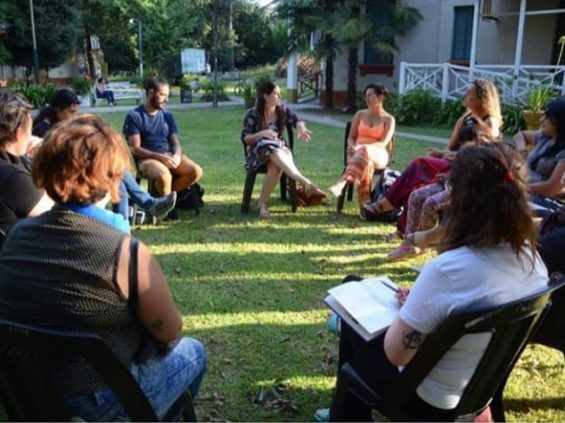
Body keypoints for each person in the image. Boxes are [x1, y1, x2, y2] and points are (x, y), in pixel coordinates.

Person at [318, 143, 548, 422]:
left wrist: (407, 312)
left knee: (353, 313)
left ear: (461, 202)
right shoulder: (534, 263)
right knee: (355, 285)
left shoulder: (447, 271)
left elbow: (396, 354)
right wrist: (422, 304)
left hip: (425, 399)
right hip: (476, 389)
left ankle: (347, 411)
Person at [0, 114, 207, 421]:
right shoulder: (123, 251)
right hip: (102, 400)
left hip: (31, 395)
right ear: (112, 177)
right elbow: (170, 331)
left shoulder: (16, 237)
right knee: (194, 351)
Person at [365, 79, 502, 236]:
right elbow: (449, 148)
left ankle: (386, 204)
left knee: (419, 164)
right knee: (418, 184)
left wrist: (456, 155)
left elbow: (486, 154)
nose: (464, 95)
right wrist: (441, 153)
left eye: (469, 93)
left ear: (482, 98)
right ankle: (403, 230)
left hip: (467, 170)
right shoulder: (464, 119)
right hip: (450, 164)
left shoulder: (490, 122)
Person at [33, 88, 176, 222]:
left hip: (81, 167)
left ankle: (132, 217)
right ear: (58, 109)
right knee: (116, 176)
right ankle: (144, 207)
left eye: (75, 112)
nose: (74, 116)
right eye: (70, 112)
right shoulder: (43, 130)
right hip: (68, 174)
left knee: (117, 179)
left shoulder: (66, 126)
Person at [241, 80, 326, 219]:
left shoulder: (282, 110)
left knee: (276, 165)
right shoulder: (253, 114)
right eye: (276, 94)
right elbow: (246, 138)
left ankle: (262, 205)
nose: (280, 97)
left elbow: (296, 120)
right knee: (270, 149)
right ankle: (304, 181)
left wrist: (300, 126)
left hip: (279, 150)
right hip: (258, 153)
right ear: (265, 96)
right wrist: (262, 134)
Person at [124, 77, 203, 221]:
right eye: (162, 95)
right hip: (147, 159)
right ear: (151, 93)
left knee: (195, 171)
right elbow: (135, 148)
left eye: (167, 96)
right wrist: (160, 157)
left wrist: (177, 155)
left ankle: (164, 199)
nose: (166, 99)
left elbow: (175, 142)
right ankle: (168, 210)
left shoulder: (167, 115)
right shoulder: (134, 116)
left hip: (169, 155)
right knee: (164, 174)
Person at [328, 84, 394, 212]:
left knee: (365, 151)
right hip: (357, 154)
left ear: (380, 98)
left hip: (378, 153)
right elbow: (351, 137)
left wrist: (361, 147)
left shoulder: (389, 119)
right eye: (366, 96)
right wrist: (352, 146)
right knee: (367, 163)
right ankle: (365, 208)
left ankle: (342, 182)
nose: (367, 99)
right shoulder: (359, 114)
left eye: (370, 95)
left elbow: (383, 142)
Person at [0, 90, 54, 248]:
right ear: (18, 134)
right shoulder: (12, 178)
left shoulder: (13, 166)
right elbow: (59, 219)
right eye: (29, 131)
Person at [512, 97, 565, 211]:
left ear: (560, 121)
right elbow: (519, 136)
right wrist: (522, 152)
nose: (542, 120)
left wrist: (520, 187)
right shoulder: (545, 137)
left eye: (547, 117)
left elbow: (551, 188)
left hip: (545, 202)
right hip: (526, 193)